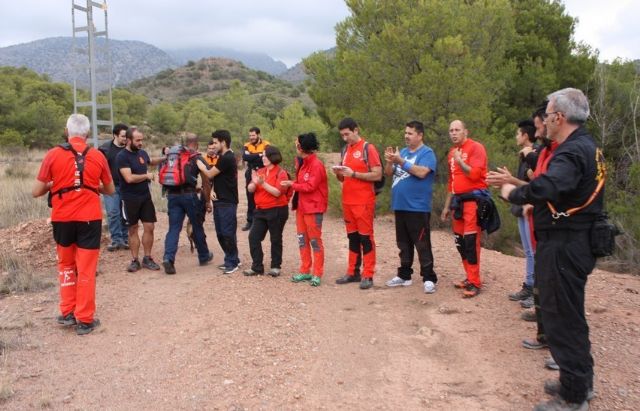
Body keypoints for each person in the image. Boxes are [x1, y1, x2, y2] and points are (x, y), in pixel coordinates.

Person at [495, 88, 601, 411]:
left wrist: (514, 193)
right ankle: (578, 381)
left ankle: (573, 397)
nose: (545, 118)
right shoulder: (586, 145)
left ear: (560, 117)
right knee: (569, 315)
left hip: (565, 246)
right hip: (572, 242)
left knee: (561, 317)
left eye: (550, 112)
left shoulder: (571, 152)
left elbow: (550, 186)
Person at [32, 113, 114, 335]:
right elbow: (110, 190)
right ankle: (85, 319)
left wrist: (54, 184)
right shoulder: (97, 156)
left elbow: (36, 192)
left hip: (62, 219)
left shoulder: (53, 154)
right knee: (86, 270)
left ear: (67, 132)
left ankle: (67, 312)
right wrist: (90, 187)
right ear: (87, 134)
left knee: (66, 266)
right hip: (89, 218)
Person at [383, 121, 438, 293]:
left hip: (418, 207)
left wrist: (400, 160)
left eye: (411, 133)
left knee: (422, 243)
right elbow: (388, 173)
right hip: (400, 205)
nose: (406, 136)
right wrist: (391, 161)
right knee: (403, 243)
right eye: (405, 132)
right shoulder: (404, 152)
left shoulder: (427, 153)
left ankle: (429, 277)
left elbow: (422, 172)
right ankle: (404, 275)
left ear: (420, 135)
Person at [332, 117, 382, 290]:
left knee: (366, 238)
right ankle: (353, 271)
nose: (345, 138)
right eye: (342, 135)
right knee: (352, 237)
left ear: (356, 130)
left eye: (347, 134)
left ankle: (368, 274)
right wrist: (338, 172)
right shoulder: (345, 149)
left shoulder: (368, 148)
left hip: (363, 201)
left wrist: (354, 174)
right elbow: (343, 177)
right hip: (347, 201)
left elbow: (377, 174)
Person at [440, 120, 488, 298]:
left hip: (473, 201)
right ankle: (469, 277)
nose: (453, 133)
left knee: (471, 241)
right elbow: (451, 182)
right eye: (451, 130)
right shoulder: (452, 152)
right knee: (460, 242)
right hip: (457, 203)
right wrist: (446, 206)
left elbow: (475, 174)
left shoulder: (476, 148)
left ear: (465, 131)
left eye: (457, 130)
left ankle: (475, 282)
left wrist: (460, 161)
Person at [161, 134, 214, 275]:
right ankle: (204, 255)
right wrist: (207, 201)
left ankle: (168, 258)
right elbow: (206, 181)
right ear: (196, 144)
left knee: (173, 229)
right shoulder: (196, 157)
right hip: (189, 196)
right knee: (196, 225)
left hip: (172, 196)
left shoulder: (173, 156)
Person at [116, 127, 164, 272]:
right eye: (138, 140)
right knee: (133, 229)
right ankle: (134, 260)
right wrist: (146, 176)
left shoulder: (141, 153)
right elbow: (129, 178)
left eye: (142, 140)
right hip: (129, 198)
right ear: (128, 140)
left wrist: (166, 157)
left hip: (145, 197)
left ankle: (147, 258)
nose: (141, 143)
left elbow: (150, 161)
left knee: (150, 227)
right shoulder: (122, 156)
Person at [285, 133, 328, 286]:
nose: (295, 146)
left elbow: (310, 186)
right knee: (302, 240)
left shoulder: (316, 164)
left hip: (313, 208)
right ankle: (305, 270)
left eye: (296, 144)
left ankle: (317, 273)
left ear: (301, 147)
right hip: (302, 208)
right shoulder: (302, 162)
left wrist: (292, 185)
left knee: (315, 241)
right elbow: (301, 181)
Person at [242, 146, 290, 277]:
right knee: (253, 237)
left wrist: (262, 184)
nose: (262, 158)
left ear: (272, 157)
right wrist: (252, 184)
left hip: (277, 210)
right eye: (262, 155)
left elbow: (277, 192)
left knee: (275, 238)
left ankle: (275, 266)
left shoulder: (281, 173)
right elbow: (251, 188)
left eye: (265, 156)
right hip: (260, 210)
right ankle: (257, 267)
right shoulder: (260, 171)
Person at [506, 119, 538, 307]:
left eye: (518, 133)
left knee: (534, 252)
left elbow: (536, 184)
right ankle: (529, 286)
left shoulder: (534, 154)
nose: (516, 136)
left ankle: (535, 292)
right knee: (528, 251)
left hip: (531, 210)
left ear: (526, 135)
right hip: (522, 208)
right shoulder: (524, 155)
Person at [202, 130, 241, 274]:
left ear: (223, 142)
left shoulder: (228, 158)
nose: (214, 145)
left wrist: (199, 163)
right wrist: (212, 189)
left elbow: (210, 173)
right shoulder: (222, 157)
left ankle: (232, 262)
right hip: (219, 200)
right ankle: (231, 258)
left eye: (216, 142)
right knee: (220, 232)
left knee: (227, 232)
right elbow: (217, 177)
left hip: (228, 201)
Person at [99, 123, 129, 251]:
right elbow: (98, 167)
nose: (125, 138)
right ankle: (116, 240)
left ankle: (125, 239)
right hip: (110, 187)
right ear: (115, 135)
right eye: (123, 136)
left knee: (125, 214)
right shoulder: (105, 149)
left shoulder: (129, 148)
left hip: (127, 186)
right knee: (113, 213)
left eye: (127, 136)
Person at [242, 127, 270, 231]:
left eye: (253, 135)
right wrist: (259, 155)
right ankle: (250, 221)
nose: (251, 137)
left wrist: (252, 156)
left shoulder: (266, 144)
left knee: (263, 194)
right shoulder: (246, 145)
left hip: (263, 172)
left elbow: (266, 157)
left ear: (258, 134)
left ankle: (264, 220)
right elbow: (245, 157)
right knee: (250, 196)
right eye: (250, 135)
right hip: (250, 172)